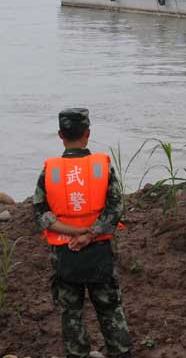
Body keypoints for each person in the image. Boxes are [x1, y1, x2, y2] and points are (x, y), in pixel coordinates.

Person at [33, 109, 133, 358]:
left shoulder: (50, 170)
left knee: (71, 311)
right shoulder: (101, 167)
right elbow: (116, 207)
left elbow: (40, 214)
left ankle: (77, 353)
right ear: (87, 133)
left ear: (60, 135)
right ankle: (120, 352)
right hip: (99, 250)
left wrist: (73, 232)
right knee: (109, 307)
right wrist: (89, 234)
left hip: (64, 253)